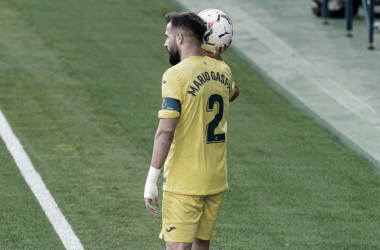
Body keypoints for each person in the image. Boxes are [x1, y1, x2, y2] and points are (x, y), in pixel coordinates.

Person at [144, 11, 239, 250]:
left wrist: (150, 181)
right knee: (201, 244)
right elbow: (234, 92)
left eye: (167, 36)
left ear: (179, 38)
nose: (164, 42)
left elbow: (165, 132)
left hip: (184, 182)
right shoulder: (223, 71)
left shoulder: (175, 75)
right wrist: (216, 59)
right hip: (215, 180)